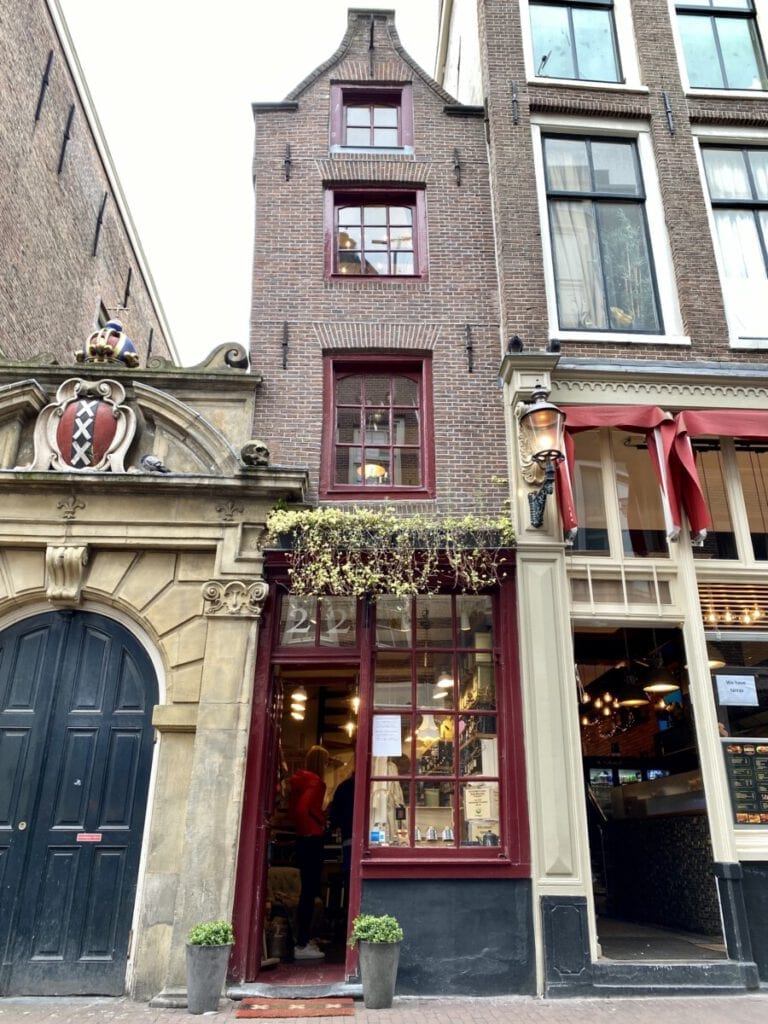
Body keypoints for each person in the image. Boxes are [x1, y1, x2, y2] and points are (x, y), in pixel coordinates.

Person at [289, 745, 329, 960]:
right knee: (310, 891)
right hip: (312, 839)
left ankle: (302, 939)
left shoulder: (300, 780)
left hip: (302, 838)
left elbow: (296, 810)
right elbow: (303, 809)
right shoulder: (315, 782)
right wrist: (318, 823)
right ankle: (303, 942)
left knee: (308, 889)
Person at [328, 769, 355, 882]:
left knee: (349, 872)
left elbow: (334, 814)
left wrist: (334, 826)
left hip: (347, 836)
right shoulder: (371, 785)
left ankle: (348, 898)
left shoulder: (343, 787)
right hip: (367, 839)